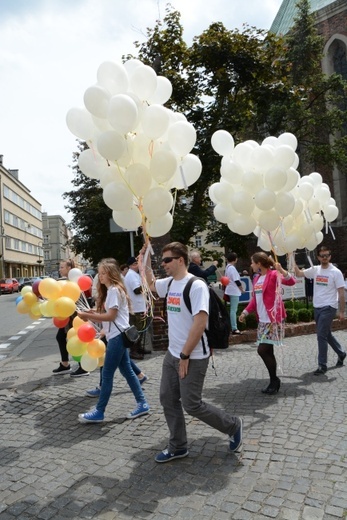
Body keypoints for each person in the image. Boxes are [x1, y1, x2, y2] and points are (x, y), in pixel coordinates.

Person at [144, 241, 243, 463]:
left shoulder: (196, 286)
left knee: (192, 404)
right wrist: (146, 259)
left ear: (181, 260)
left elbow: (200, 323)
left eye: (167, 260)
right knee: (167, 398)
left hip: (193, 355)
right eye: (162, 260)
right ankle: (178, 446)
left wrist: (185, 355)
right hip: (173, 353)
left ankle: (233, 425)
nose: (164, 264)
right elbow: (150, 284)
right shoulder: (169, 283)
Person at [77, 259, 150, 423]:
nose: (100, 276)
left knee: (108, 374)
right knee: (128, 372)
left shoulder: (114, 291)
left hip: (117, 337)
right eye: (99, 273)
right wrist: (93, 310)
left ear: (110, 274)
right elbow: (110, 312)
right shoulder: (114, 290)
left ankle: (99, 411)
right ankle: (142, 403)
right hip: (118, 336)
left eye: (103, 273)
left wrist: (88, 316)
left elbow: (111, 316)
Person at [239, 252, 296, 394]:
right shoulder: (256, 278)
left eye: (252, 262)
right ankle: (273, 381)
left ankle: (274, 380)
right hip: (262, 320)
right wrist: (245, 312)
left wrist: (281, 270)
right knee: (268, 350)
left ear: (259, 263)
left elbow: (291, 281)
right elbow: (255, 300)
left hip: (273, 319)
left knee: (262, 350)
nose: (251, 265)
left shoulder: (273, 275)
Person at [294, 246, 346, 375]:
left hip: (329, 307)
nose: (325, 257)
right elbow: (299, 273)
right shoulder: (315, 270)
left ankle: (322, 365)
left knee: (321, 335)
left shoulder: (336, 272)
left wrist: (341, 311)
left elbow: (341, 292)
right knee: (326, 334)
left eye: (327, 255)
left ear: (330, 256)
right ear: (318, 257)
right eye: (322, 255)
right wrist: (291, 258)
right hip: (317, 307)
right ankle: (341, 353)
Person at [52, 259, 89, 377]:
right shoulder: (65, 281)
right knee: (61, 336)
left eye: (62, 267)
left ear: (69, 268)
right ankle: (65, 364)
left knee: (76, 337)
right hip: (67, 314)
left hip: (75, 315)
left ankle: (83, 366)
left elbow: (77, 298)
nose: (60, 269)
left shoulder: (74, 281)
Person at [124, 256, 150, 360]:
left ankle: (138, 348)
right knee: (137, 329)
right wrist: (147, 286)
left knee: (141, 328)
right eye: (137, 263)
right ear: (133, 265)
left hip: (138, 306)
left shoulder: (134, 274)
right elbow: (136, 290)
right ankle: (134, 351)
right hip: (136, 308)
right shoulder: (131, 275)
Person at [224, 252, 244, 335]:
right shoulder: (232, 268)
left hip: (230, 290)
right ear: (235, 259)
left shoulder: (228, 267)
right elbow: (236, 280)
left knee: (232, 310)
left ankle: (233, 327)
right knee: (233, 310)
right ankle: (234, 328)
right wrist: (242, 289)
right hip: (234, 291)